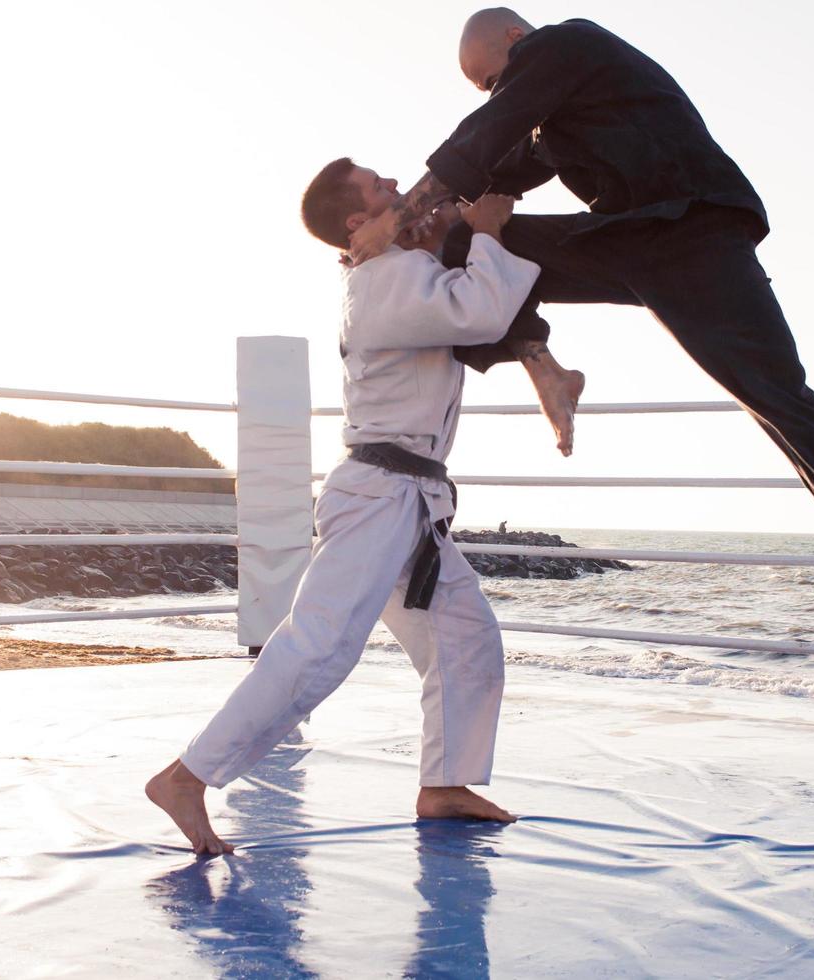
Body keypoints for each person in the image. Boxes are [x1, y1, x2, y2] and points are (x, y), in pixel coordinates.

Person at [347, 8, 814, 662]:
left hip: (696, 236)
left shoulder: (568, 44)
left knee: (777, 396)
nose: (493, 92)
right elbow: (497, 170)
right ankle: (545, 365)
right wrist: (427, 222)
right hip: (620, 241)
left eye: (490, 78)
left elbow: (489, 130)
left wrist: (398, 213)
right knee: (463, 243)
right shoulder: (552, 116)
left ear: (516, 39)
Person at [145, 164, 534, 854]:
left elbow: (451, 291)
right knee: (319, 646)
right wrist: (488, 235)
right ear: (356, 223)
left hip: (407, 501)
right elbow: (480, 312)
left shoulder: (387, 270)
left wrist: (448, 230)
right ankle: (187, 776)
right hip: (380, 499)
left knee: (466, 639)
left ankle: (445, 784)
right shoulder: (380, 284)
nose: (395, 182)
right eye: (380, 186)